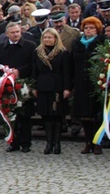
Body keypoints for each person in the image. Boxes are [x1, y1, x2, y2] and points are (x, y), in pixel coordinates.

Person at [0, 22, 38, 152]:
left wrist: (19, 71)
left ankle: (25, 143)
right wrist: (4, 72)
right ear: (6, 34)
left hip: (23, 85)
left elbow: (33, 64)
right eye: (12, 32)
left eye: (17, 32)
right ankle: (13, 142)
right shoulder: (0, 48)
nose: (16, 34)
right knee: (10, 114)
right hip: (6, 86)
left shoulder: (30, 46)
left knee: (24, 115)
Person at [32, 28, 72, 154]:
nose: (47, 40)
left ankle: (57, 143)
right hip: (43, 85)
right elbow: (34, 71)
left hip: (57, 86)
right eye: (45, 37)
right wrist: (33, 86)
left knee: (57, 115)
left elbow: (67, 72)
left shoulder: (62, 52)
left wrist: (67, 88)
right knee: (46, 115)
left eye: (50, 37)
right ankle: (49, 142)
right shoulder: (38, 52)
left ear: (55, 38)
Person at [71, 17, 105, 154]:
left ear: (97, 30)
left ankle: (97, 143)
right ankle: (88, 141)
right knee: (84, 114)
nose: (88, 30)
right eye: (86, 28)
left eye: (91, 28)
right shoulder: (77, 43)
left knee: (95, 114)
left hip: (96, 82)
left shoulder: (102, 42)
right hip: (80, 82)